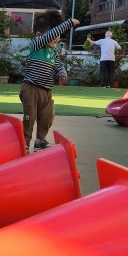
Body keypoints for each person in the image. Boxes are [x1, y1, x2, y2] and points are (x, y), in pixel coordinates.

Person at [19, 9, 79, 151]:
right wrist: (69, 23)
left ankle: (40, 140)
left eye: (58, 36)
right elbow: (50, 35)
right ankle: (25, 141)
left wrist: (62, 74)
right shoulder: (37, 44)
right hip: (31, 88)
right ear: (39, 35)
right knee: (30, 117)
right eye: (53, 35)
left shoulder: (53, 52)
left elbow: (58, 65)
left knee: (47, 116)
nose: (56, 37)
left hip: (46, 91)